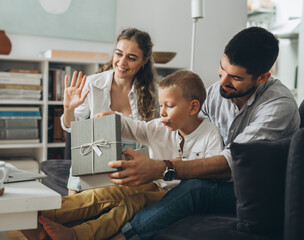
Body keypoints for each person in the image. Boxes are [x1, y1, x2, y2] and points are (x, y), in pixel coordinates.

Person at [106, 27, 300, 239]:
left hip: (258, 193)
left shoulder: (278, 105)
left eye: (235, 77)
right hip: (218, 179)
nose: (222, 82)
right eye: (221, 69)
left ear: (262, 77)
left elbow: (231, 164)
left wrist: (163, 168)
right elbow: (188, 124)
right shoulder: (217, 92)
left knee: (195, 188)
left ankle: (123, 236)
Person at [37, 70, 224, 240]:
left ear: (193, 108)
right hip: (154, 184)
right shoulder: (159, 127)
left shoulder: (210, 134)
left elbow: (210, 175)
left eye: (170, 105)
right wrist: (113, 117)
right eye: (161, 105)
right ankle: (43, 214)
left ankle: (77, 235)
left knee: (132, 203)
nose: (163, 112)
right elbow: (134, 127)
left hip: (178, 196)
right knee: (106, 192)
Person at [61, 28, 158, 195]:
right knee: (76, 185)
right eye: (118, 54)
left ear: (144, 61)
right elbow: (71, 127)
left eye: (131, 58)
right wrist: (69, 110)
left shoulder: (153, 93)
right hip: (96, 156)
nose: (122, 62)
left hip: (131, 162)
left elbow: (156, 135)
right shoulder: (92, 83)